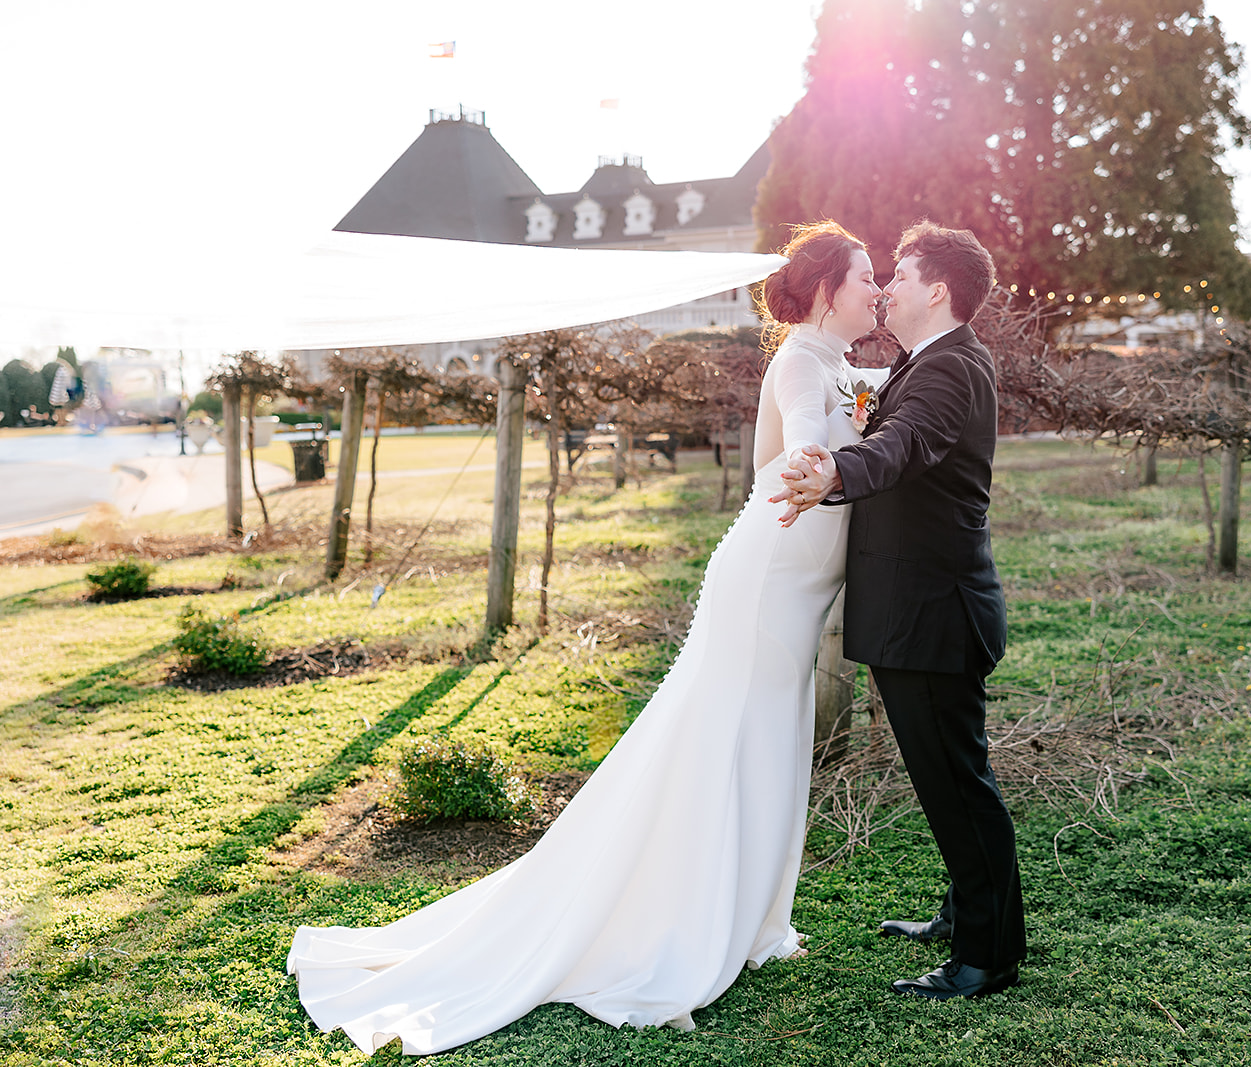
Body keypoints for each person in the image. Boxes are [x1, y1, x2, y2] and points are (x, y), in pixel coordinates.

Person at [285, 220, 887, 1055]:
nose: (877, 290)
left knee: (768, 742)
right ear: (826, 290)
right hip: (767, 586)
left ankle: (751, 915)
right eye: (866, 277)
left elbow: (876, 394)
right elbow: (806, 434)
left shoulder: (837, 362)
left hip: (795, 589)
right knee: (726, 741)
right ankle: (686, 921)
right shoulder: (798, 362)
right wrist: (821, 456)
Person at [772, 221, 1025, 1000]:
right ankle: (963, 913)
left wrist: (837, 474)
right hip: (919, 609)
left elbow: (904, 444)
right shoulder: (929, 360)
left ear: (938, 290)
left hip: (934, 613)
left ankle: (986, 956)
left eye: (902, 276)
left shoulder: (950, 368)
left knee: (958, 783)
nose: (887, 288)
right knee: (949, 777)